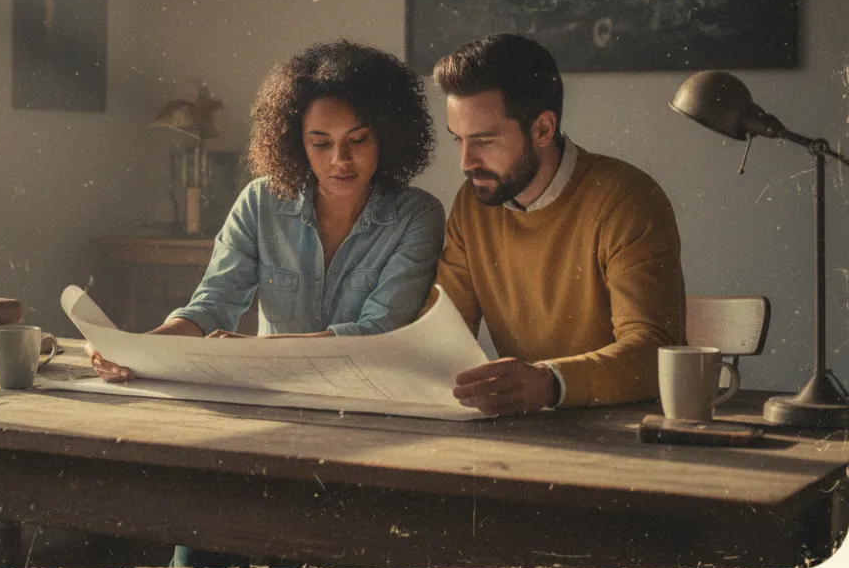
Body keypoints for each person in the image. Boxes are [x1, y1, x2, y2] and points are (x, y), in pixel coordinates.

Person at [87, 39, 443, 371]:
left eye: (358, 140)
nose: (340, 159)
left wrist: (256, 349)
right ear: (296, 144)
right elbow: (212, 307)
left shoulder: (417, 216)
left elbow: (379, 333)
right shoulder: (260, 202)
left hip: (368, 395)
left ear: (387, 136)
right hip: (272, 394)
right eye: (321, 144)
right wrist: (134, 350)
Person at [431, 33, 684, 416]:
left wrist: (550, 382)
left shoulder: (626, 198)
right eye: (458, 140)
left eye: (484, 141)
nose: (467, 162)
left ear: (543, 130)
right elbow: (443, 335)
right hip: (528, 429)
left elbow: (654, 352)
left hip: (627, 428)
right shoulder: (473, 204)